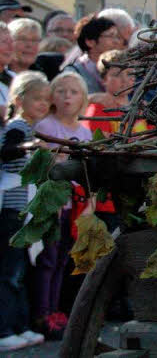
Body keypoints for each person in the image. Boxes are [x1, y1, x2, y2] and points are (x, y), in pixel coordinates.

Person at [30, 72, 91, 339]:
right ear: (52, 96)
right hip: (51, 203)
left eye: (74, 92)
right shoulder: (45, 126)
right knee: (48, 258)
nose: (67, 97)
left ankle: (56, 310)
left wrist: (91, 202)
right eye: (61, 91)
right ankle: (43, 313)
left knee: (63, 259)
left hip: (74, 205)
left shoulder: (84, 131)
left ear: (83, 98)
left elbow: (90, 171)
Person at [0, 72, 51, 350]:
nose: (43, 104)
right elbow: (7, 152)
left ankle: (20, 325)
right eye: (37, 98)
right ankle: (5, 329)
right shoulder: (18, 126)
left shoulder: (31, 126)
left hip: (25, 212)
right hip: (13, 210)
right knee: (10, 272)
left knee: (21, 271)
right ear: (19, 100)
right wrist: (29, 146)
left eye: (46, 99)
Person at [63, 16, 123, 95]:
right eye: (111, 36)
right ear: (90, 42)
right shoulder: (74, 72)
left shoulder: (122, 68)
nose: (117, 41)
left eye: (117, 37)